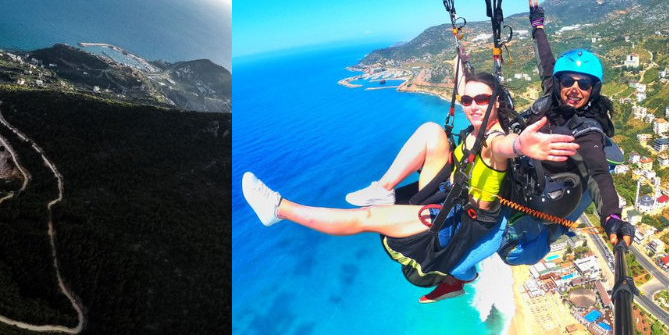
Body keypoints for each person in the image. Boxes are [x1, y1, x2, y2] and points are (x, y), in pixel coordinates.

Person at [242, 67, 578, 303]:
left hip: (465, 221)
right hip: (451, 191)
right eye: (467, 100)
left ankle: (279, 209)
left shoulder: (495, 138)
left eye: (482, 99)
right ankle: (385, 186)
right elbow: (468, 87)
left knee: (367, 218)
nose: (473, 105)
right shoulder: (479, 122)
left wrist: (521, 146)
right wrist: (458, 48)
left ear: (497, 102)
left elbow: (505, 146)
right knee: (433, 131)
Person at [504, 0, 633, 262]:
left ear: (592, 90)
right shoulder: (552, 97)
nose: (574, 89)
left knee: (518, 255)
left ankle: (547, 236)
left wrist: (612, 217)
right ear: (559, 83)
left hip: (550, 192)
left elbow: (599, 174)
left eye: (584, 84)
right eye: (568, 82)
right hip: (524, 170)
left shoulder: (586, 130)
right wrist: (537, 24)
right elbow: (546, 60)